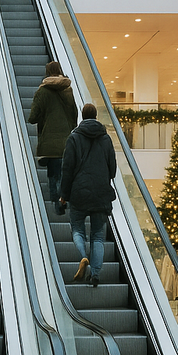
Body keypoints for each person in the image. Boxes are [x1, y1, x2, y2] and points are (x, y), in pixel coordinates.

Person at [59, 103, 117, 287]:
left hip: (79, 193)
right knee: (98, 235)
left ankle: (83, 257)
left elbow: (67, 169)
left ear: (82, 116)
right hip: (101, 193)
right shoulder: (106, 139)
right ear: (96, 116)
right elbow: (113, 169)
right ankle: (96, 274)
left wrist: (64, 194)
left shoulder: (74, 138)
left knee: (77, 228)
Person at [29, 61, 79, 214]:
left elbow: (32, 117)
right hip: (66, 141)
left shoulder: (42, 92)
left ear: (47, 72)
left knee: (53, 174)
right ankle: (64, 199)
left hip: (49, 142)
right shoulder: (68, 90)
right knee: (65, 172)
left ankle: (56, 204)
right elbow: (74, 114)